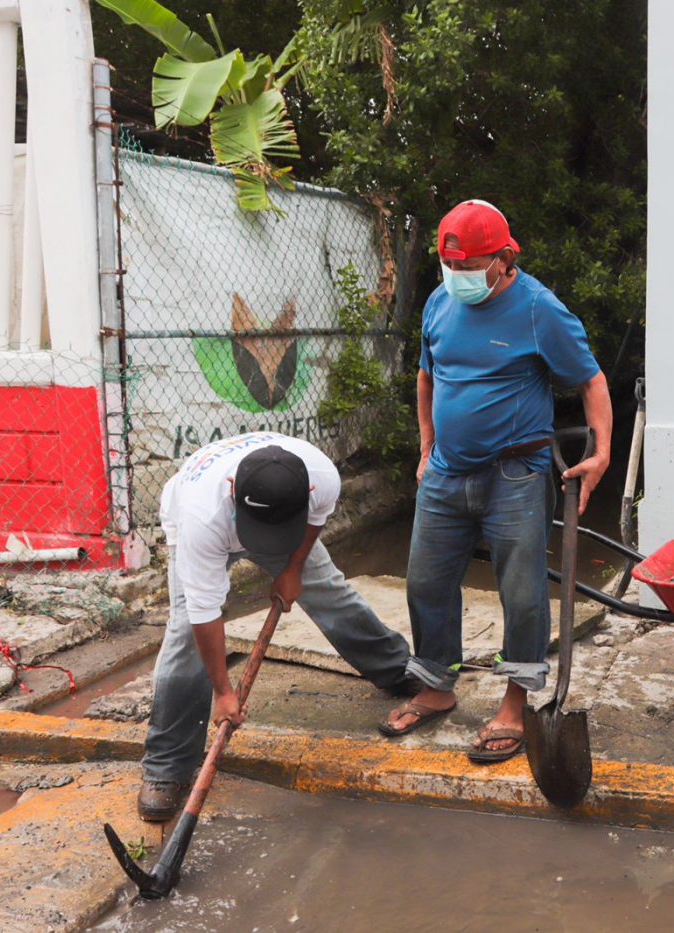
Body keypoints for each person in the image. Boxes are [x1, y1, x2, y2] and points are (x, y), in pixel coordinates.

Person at [380, 199, 612, 763]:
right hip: (445, 473)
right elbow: (426, 376)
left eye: (471, 266)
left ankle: (515, 702)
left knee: (523, 593)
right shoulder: (440, 300)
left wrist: (602, 453)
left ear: (505, 258)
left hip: (516, 473)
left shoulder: (539, 309)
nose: (458, 277)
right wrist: (427, 444)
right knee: (426, 583)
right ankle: (437, 685)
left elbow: (591, 381)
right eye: (451, 266)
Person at [137, 432, 413, 821]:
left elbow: (315, 518)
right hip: (208, 521)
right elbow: (204, 612)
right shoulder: (201, 516)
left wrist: (293, 570)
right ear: (232, 488)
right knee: (185, 634)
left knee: (328, 590)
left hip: (284, 518)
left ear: (309, 491)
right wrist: (223, 691)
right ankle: (166, 766)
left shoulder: (320, 475)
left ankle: (395, 668)